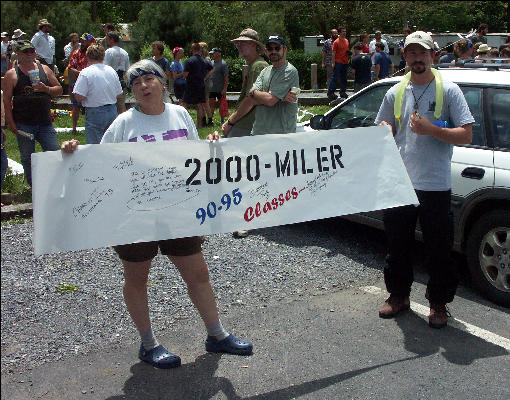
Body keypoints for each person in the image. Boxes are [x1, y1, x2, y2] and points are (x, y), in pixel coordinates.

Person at [60, 59, 253, 369]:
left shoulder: (179, 114)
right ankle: (148, 344)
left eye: (149, 79)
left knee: (198, 274)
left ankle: (216, 335)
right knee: (137, 278)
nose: (143, 85)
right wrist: (73, 150)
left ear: (163, 83)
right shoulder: (124, 123)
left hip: (177, 211)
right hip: (134, 215)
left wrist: (211, 144)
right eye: (136, 82)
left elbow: (193, 156)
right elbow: (98, 160)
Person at [374, 31, 474, 329]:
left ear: (433, 55)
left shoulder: (450, 90)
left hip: (435, 184)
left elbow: (466, 135)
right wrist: (383, 128)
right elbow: (382, 127)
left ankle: (438, 302)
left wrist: (433, 130)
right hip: (400, 182)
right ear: (404, 57)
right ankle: (398, 295)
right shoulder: (395, 91)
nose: (417, 58)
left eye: (423, 53)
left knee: (438, 248)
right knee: (397, 244)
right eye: (411, 53)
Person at [2, 40, 62, 187]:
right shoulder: (12, 74)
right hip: (24, 123)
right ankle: (35, 188)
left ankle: (56, 185)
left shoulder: (45, 69)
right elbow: (6, 100)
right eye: (25, 51)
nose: (29, 54)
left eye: (31, 51)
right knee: (28, 158)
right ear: (19, 54)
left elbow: (59, 90)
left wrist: (46, 89)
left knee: (54, 153)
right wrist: (10, 122)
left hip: (45, 122)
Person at [221, 28, 268, 139]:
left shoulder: (258, 66)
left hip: (247, 126)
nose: (238, 46)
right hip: (246, 124)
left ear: (253, 45)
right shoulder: (255, 65)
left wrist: (230, 122)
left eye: (242, 43)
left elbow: (251, 100)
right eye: (237, 43)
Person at [72, 44, 122, 144]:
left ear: (88, 57)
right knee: (111, 143)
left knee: (95, 146)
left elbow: (78, 97)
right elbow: (119, 94)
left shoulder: (85, 72)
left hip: (94, 112)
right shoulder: (111, 71)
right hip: (112, 110)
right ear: (103, 56)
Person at [182, 42, 214, 128]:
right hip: (201, 85)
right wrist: (205, 77)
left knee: (185, 104)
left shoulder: (189, 61)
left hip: (190, 85)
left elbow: (185, 74)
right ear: (200, 50)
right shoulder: (204, 61)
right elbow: (212, 69)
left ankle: (185, 124)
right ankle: (199, 125)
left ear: (192, 50)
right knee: (199, 105)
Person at [68, 33, 95, 135]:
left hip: (92, 83)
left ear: (89, 42)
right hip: (78, 82)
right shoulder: (76, 53)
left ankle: (90, 126)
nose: (82, 43)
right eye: (81, 41)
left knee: (91, 105)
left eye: (84, 41)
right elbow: (71, 66)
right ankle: (74, 128)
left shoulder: (93, 54)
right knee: (76, 106)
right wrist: (79, 72)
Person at [104, 31, 130, 114]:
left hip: (111, 80)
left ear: (112, 40)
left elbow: (105, 68)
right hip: (122, 81)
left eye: (107, 39)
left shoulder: (109, 52)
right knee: (121, 106)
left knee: (111, 105)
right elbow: (127, 69)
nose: (106, 41)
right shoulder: (124, 52)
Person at [327, 27, 350, 100]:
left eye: (345, 31)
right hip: (338, 62)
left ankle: (342, 91)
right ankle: (330, 92)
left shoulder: (346, 41)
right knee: (335, 78)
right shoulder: (336, 42)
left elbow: (346, 50)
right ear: (340, 33)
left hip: (345, 62)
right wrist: (333, 63)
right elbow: (333, 53)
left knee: (344, 78)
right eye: (343, 31)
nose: (344, 33)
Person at [208, 48, 229, 124]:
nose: (212, 55)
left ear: (218, 54)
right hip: (212, 88)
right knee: (211, 105)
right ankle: (210, 121)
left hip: (220, 89)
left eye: (213, 53)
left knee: (222, 105)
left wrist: (225, 89)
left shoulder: (223, 64)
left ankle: (222, 121)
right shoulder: (211, 62)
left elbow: (226, 78)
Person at [200, 42, 214, 127]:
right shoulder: (204, 58)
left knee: (205, 102)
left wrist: (204, 78)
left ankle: (210, 120)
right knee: (202, 102)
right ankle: (204, 120)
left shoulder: (207, 59)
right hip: (204, 83)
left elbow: (210, 71)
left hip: (206, 83)